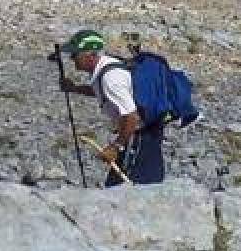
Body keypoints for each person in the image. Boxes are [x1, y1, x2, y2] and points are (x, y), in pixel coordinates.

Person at [57, 29, 164, 185]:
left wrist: (115, 146)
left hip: (139, 138)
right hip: (142, 134)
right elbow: (105, 94)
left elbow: (131, 117)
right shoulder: (106, 68)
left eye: (75, 54)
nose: (72, 59)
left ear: (91, 55)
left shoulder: (110, 77)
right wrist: (75, 88)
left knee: (128, 187)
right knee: (128, 184)